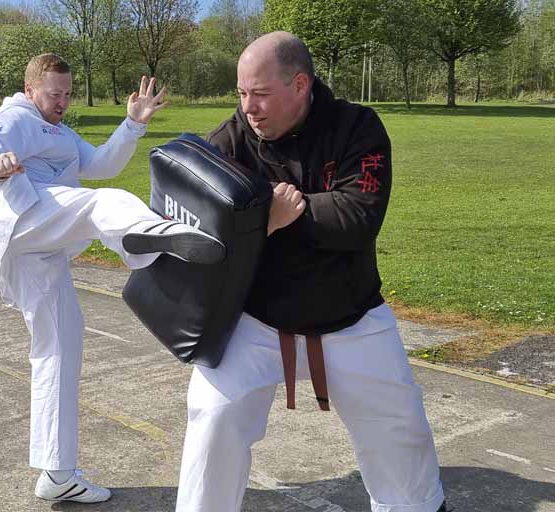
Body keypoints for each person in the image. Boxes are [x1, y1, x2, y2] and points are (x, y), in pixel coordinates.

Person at [174, 32, 449, 512]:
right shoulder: (228, 141)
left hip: (351, 317)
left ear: (300, 84)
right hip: (256, 320)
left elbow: (358, 218)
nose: (249, 107)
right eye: (242, 93)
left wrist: (281, 213)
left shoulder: (357, 127)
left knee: (401, 433)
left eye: (261, 93)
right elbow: (207, 234)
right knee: (213, 419)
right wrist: (269, 215)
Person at [0, 53, 224, 504]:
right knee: (100, 203)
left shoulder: (62, 133)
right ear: (30, 90)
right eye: (54, 94)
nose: (62, 102)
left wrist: (134, 124)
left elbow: (103, 164)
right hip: (21, 218)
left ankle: (57, 473)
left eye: (67, 94)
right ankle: (154, 235)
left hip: (41, 250)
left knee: (60, 348)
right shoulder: (13, 118)